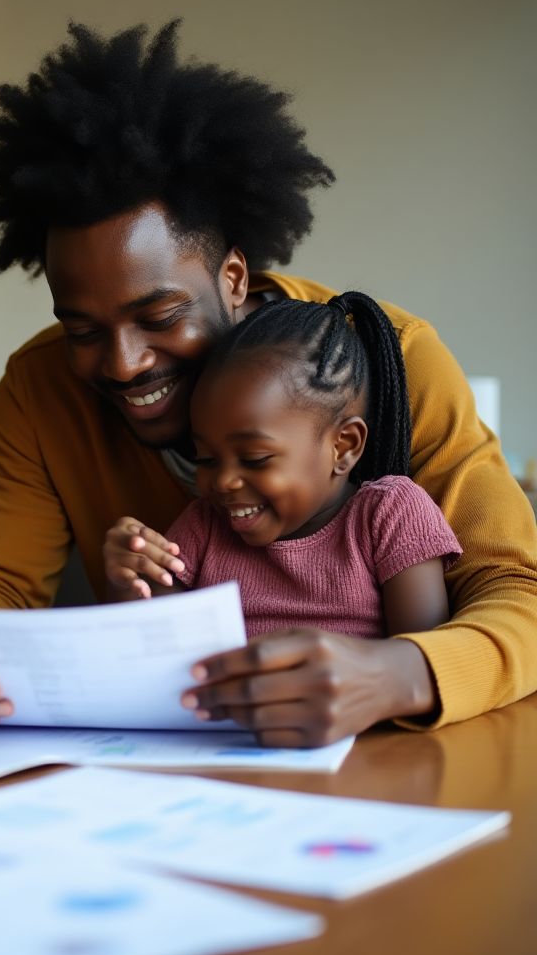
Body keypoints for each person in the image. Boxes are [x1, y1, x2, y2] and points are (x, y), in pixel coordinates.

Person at [0, 20, 537, 747]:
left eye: (158, 315)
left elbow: (518, 591)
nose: (124, 363)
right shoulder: (39, 390)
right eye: (83, 330)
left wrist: (400, 674)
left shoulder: (389, 359)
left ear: (232, 277)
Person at [103, 293, 462, 715]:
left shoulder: (389, 515)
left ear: (343, 447)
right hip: (220, 748)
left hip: (356, 750)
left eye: (255, 459)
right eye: (206, 459)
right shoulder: (204, 524)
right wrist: (130, 578)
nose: (223, 480)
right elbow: (152, 649)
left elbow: (421, 657)